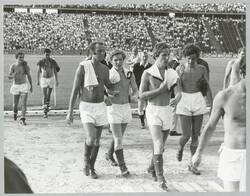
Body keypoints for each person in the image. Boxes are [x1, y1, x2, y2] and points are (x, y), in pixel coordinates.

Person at [192, 61, 246, 192]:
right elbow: (210, 126)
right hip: (233, 155)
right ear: (243, 74)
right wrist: (198, 153)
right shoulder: (225, 96)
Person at [66, 41, 115, 179]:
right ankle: (86, 160)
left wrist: (120, 84)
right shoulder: (83, 67)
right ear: (92, 52)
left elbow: (109, 86)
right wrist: (70, 112)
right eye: (99, 51)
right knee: (91, 138)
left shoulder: (105, 69)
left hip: (100, 107)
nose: (102, 53)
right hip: (86, 106)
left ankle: (92, 167)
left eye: (104, 51)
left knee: (97, 142)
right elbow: (75, 91)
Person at [139, 42, 181, 191]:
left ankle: (152, 167)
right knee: (158, 143)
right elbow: (141, 95)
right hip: (153, 111)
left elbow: (179, 90)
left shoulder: (172, 73)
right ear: (156, 55)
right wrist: (160, 90)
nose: (166, 57)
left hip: (167, 111)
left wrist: (178, 97)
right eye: (163, 55)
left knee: (161, 146)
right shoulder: (148, 73)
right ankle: (160, 177)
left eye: (168, 54)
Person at [175, 44, 213, 175]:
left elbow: (207, 87)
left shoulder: (202, 69)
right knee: (185, 135)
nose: (190, 61)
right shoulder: (179, 68)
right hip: (184, 99)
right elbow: (178, 88)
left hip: (198, 98)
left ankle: (192, 163)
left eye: (193, 58)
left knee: (195, 134)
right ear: (185, 58)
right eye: (188, 58)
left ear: (197, 57)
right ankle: (180, 147)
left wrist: (212, 104)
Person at [105, 49, 138, 177]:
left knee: (118, 137)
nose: (118, 62)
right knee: (118, 138)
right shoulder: (109, 74)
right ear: (111, 61)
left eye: (120, 59)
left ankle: (109, 154)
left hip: (126, 108)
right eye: (115, 60)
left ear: (123, 60)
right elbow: (103, 91)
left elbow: (135, 89)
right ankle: (123, 167)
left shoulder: (129, 73)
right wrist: (110, 93)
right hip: (114, 108)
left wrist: (135, 95)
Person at [8, 51, 33, 125]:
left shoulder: (26, 66)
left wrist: (31, 85)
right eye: (20, 57)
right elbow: (9, 76)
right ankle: (15, 112)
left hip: (23, 86)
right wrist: (13, 76)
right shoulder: (13, 66)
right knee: (15, 105)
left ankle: (22, 118)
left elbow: (29, 76)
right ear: (16, 57)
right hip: (16, 86)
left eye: (22, 57)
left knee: (24, 103)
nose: (21, 59)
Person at [37, 48, 60, 118]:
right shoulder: (41, 61)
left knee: (49, 95)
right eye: (46, 54)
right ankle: (45, 111)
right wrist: (38, 80)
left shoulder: (52, 61)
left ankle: (47, 107)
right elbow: (38, 71)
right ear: (44, 54)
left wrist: (57, 80)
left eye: (48, 54)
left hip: (51, 78)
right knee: (45, 95)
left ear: (50, 54)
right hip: (44, 79)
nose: (47, 56)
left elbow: (56, 71)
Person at [132, 51, 152, 129]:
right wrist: (135, 89)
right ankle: (142, 122)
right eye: (143, 56)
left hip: (148, 89)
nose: (144, 57)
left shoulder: (150, 66)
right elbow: (134, 78)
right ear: (140, 57)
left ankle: (149, 121)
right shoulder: (136, 66)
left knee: (148, 106)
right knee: (140, 105)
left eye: (146, 56)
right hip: (140, 89)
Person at [168, 57, 182, 136]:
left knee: (172, 110)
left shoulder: (172, 62)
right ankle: (172, 129)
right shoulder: (174, 63)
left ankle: (171, 128)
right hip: (174, 89)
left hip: (172, 89)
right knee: (173, 110)